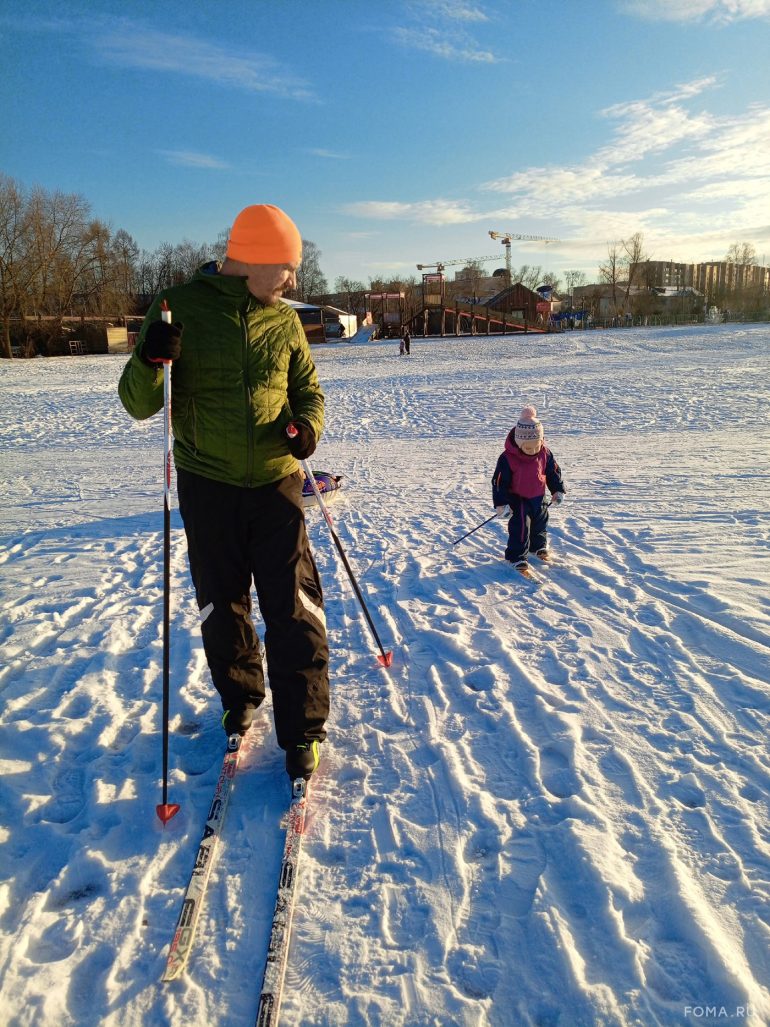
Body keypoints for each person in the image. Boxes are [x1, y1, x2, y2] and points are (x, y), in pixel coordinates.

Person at [118, 204, 329, 781]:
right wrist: (148, 354)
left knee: (293, 605)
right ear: (255, 260)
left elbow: (308, 389)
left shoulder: (283, 321)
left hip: (276, 481)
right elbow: (139, 403)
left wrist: (306, 425)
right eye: (286, 268)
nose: (291, 281)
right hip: (207, 484)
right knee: (222, 603)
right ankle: (240, 698)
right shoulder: (177, 308)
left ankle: (304, 729)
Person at [491, 405, 565, 571]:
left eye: (536, 446)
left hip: (539, 496)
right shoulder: (508, 458)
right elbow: (498, 482)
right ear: (518, 442)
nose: (533, 451)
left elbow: (553, 472)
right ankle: (516, 556)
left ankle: (537, 547)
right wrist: (501, 503)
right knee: (521, 527)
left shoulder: (545, 453)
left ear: (541, 440)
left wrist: (557, 490)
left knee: (540, 522)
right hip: (518, 498)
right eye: (527, 447)